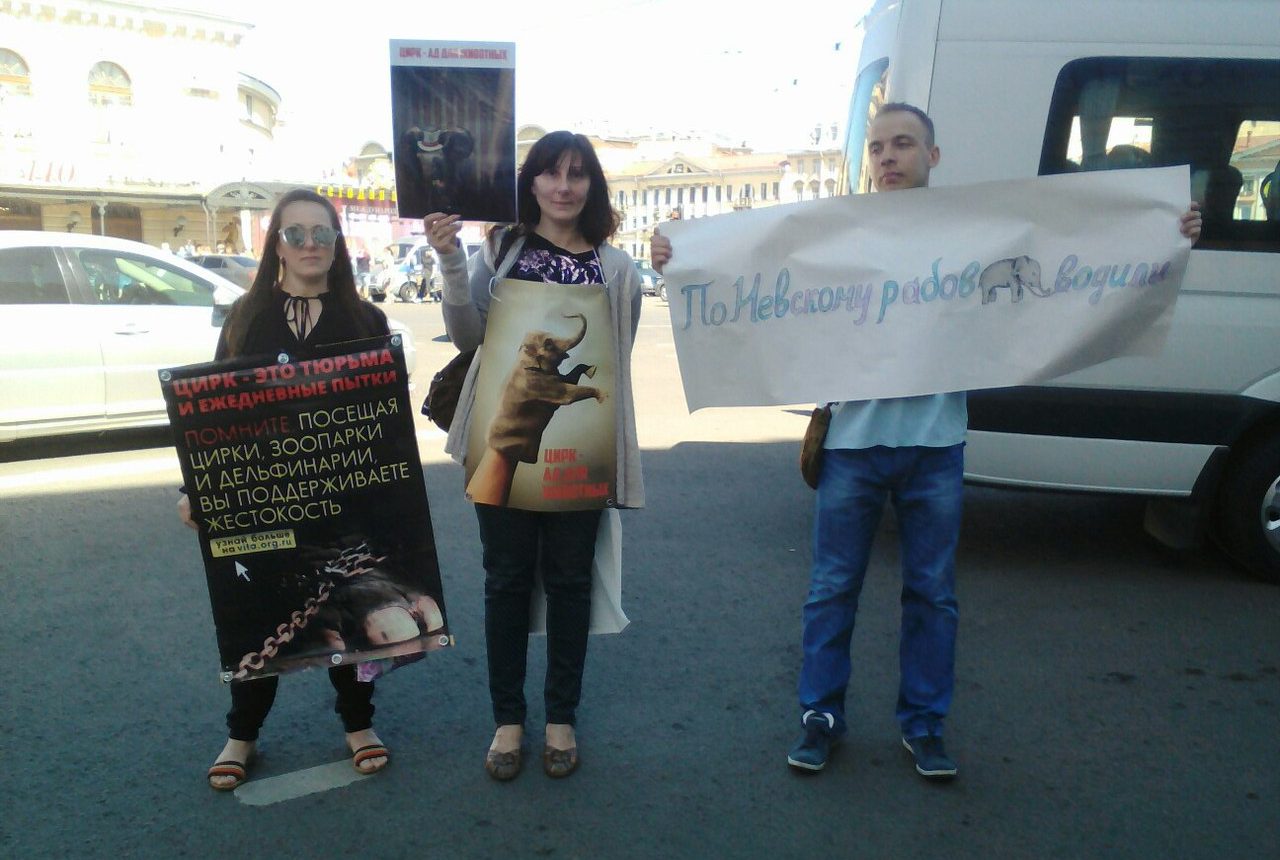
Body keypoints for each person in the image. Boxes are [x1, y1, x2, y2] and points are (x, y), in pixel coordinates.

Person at [651, 102, 1203, 781]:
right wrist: (680, 258)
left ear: (932, 156)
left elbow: (1071, 250)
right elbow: (750, 270)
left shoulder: (970, 234)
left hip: (935, 444)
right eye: (878, 146)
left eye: (903, 144)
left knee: (932, 593)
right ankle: (820, 714)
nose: (888, 156)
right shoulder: (834, 234)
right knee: (831, 589)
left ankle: (924, 724)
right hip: (853, 445)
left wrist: (1167, 231)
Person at [424, 130, 644, 781]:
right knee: (507, 581)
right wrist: (450, 261)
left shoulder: (617, 268)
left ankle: (560, 719)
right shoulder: (502, 249)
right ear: (532, 182)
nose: (563, 187)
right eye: (551, 173)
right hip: (502, 440)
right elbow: (467, 336)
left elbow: (617, 354)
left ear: (592, 186)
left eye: (577, 174)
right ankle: (508, 720)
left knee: (571, 582)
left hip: (581, 450)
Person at [176, 188, 395, 791]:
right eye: (295, 234)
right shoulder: (247, 317)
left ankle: (358, 724)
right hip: (263, 494)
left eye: (321, 234)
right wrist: (196, 488)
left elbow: (384, 421)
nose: (308, 244)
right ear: (276, 243)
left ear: (337, 244)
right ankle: (242, 734)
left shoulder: (366, 320)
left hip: (343, 498)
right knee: (258, 616)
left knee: (347, 610)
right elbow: (214, 410)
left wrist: (391, 492)